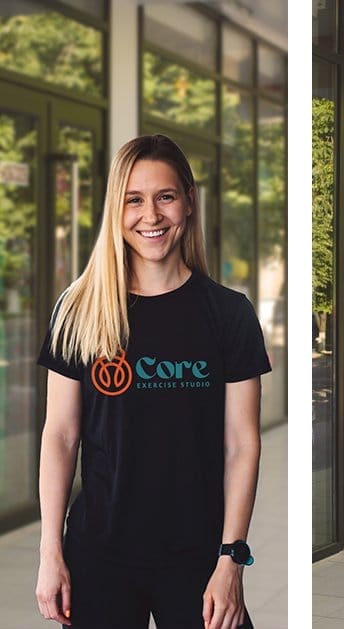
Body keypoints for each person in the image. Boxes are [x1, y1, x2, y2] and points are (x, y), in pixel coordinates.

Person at [35, 134, 271, 629]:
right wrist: (50, 552)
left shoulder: (229, 314)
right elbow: (60, 435)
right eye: (134, 200)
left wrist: (231, 559)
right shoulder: (79, 310)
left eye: (165, 196)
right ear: (115, 210)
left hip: (198, 555)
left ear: (188, 201)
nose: (151, 215)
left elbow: (242, 445)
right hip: (99, 553)